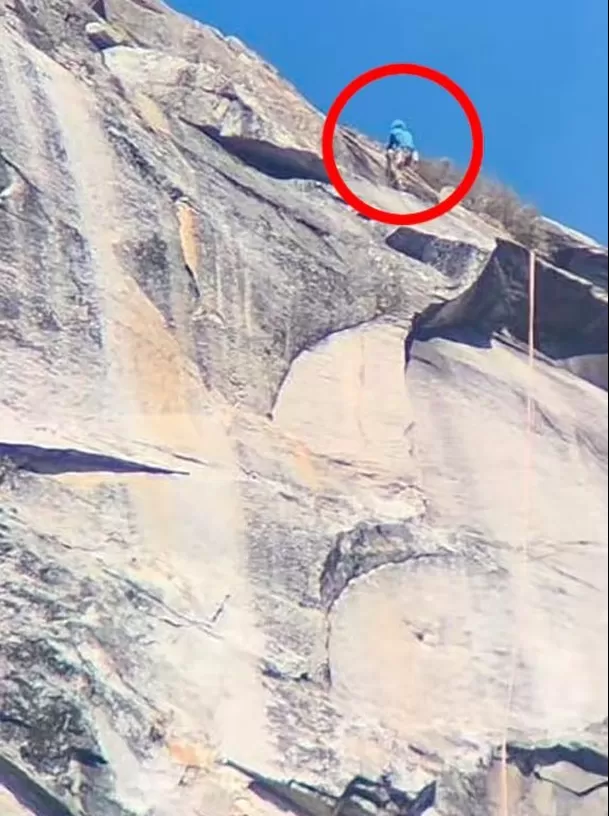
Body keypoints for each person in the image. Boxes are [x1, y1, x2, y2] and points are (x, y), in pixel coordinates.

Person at [385, 119, 418, 190]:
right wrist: (415, 159)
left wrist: (388, 150)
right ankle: (405, 182)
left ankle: (400, 183)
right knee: (405, 166)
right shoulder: (408, 133)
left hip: (402, 150)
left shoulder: (393, 132)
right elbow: (412, 145)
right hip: (411, 152)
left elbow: (390, 144)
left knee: (398, 167)